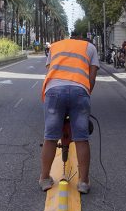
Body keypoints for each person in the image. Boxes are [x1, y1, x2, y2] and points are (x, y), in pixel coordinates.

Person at [39, 30, 99, 194]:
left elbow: (49, 70)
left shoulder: (55, 46)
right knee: (81, 138)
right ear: (83, 38)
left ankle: (45, 179)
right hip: (79, 90)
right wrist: (86, 94)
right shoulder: (90, 48)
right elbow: (92, 77)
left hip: (54, 91)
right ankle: (83, 182)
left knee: (50, 137)